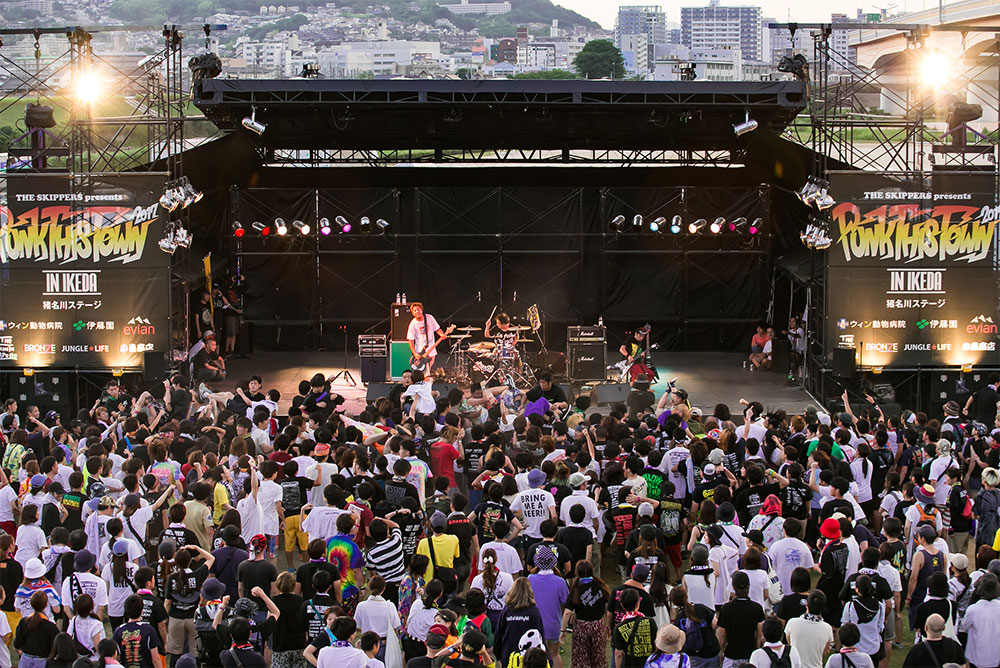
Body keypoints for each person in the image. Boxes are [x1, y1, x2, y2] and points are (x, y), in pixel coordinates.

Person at [560, 561, 609, 668]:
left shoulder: (576, 588)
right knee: (599, 658)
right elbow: (607, 608)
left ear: (577, 572)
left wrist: (563, 631)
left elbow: (567, 612)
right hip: (598, 626)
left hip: (581, 627)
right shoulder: (600, 585)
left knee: (580, 659)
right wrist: (608, 626)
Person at [715, 571, 765, 668]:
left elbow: (722, 634)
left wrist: (721, 652)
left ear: (733, 587)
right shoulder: (757, 608)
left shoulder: (726, 608)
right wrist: (756, 650)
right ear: (748, 587)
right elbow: (759, 634)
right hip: (750, 655)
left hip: (731, 655)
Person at [492, 578, 543, 668]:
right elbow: (540, 634)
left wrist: (498, 653)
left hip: (509, 655)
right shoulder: (533, 611)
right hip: (528, 658)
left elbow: (498, 633)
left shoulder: (507, 610)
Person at [784, 591, 834, 668]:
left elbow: (790, 643)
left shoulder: (792, 623)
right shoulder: (827, 628)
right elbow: (825, 651)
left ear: (806, 604)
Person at [611, 587, 657, 668]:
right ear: (638, 603)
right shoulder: (650, 622)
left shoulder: (619, 628)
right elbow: (657, 644)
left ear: (622, 605)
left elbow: (618, 654)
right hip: (649, 664)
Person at [13, 591, 59, 668]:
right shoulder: (50, 626)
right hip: (42, 662)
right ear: (46, 605)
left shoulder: (24, 622)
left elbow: (17, 643)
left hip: (25, 661)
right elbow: (54, 648)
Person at [901, 613, 966, 668]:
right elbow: (963, 665)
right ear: (944, 628)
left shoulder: (917, 650)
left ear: (926, 628)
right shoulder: (954, 646)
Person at [407, 303, 448, 375]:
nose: (417, 312)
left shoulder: (429, 318)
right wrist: (415, 353)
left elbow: (437, 329)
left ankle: (426, 379)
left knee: (428, 369)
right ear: (412, 313)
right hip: (420, 350)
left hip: (431, 348)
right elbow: (410, 340)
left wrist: (442, 335)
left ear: (422, 310)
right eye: (415, 310)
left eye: (418, 309)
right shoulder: (413, 324)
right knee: (421, 371)